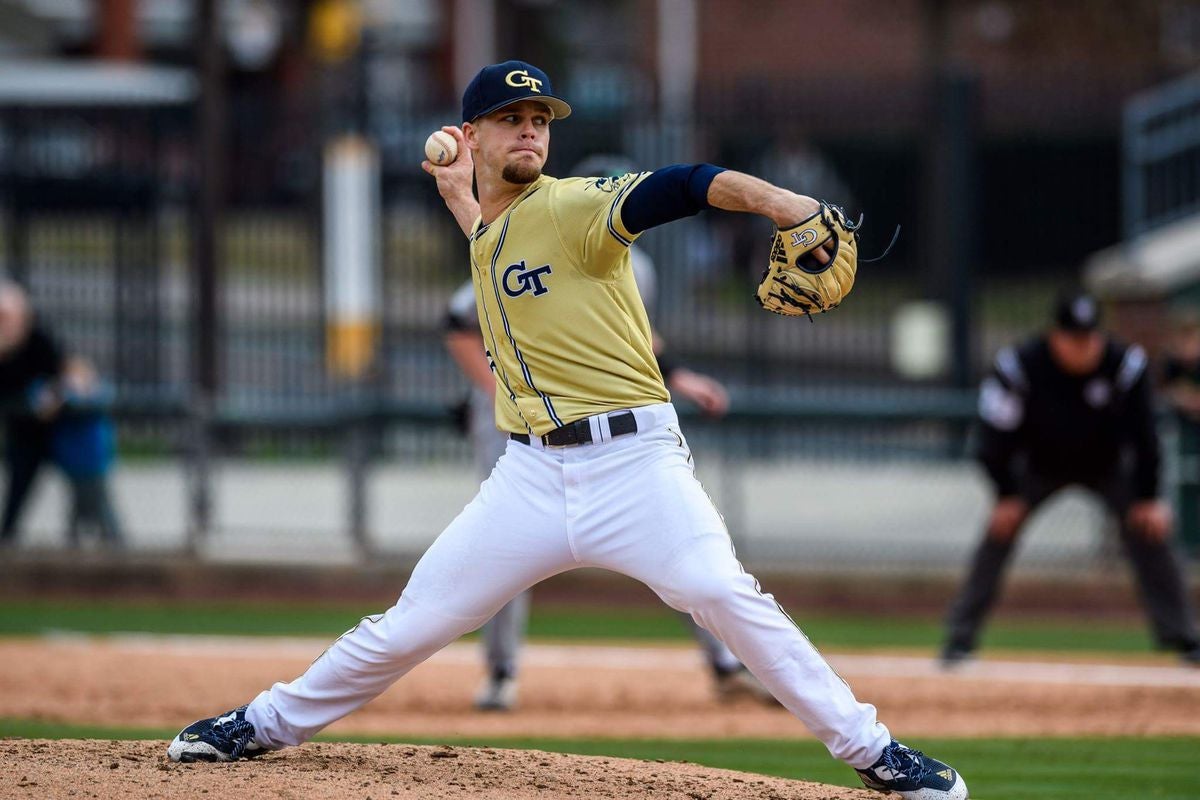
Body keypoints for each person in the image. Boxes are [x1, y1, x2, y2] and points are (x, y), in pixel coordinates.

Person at [168, 60, 968, 800]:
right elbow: (494, 244)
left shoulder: (579, 205)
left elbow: (685, 184)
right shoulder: (489, 230)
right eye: (510, 117)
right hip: (529, 480)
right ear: (473, 132)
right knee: (410, 625)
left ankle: (877, 754)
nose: (529, 131)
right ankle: (262, 724)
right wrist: (457, 192)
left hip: (635, 467)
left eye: (540, 120)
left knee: (722, 591)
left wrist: (786, 205)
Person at [445, 155, 769, 710]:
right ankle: (501, 673)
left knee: (677, 543)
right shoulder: (528, 233)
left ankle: (724, 663)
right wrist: (500, 392)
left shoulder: (637, 266)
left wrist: (681, 376)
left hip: (601, 417)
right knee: (499, 557)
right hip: (512, 426)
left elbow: (633, 336)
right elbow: (457, 324)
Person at [942, 290, 1200, 668]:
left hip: (1107, 466)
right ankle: (959, 638)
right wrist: (1006, 492)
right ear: (1055, 336)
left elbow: (1145, 439)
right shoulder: (1020, 365)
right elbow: (992, 437)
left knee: (1151, 532)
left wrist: (1148, 497)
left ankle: (1184, 636)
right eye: (1073, 339)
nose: (1083, 348)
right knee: (999, 530)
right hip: (1039, 466)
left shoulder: (1125, 364)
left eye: (1090, 337)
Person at [0, 280, 65, 549]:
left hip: (47, 431)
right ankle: (7, 534)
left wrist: (50, 400)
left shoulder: (39, 341)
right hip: (17, 430)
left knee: (89, 482)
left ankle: (111, 539)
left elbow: (60, 376)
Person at [49, 356, 124, 550]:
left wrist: (81, 393)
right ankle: (76, 540)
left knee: (100, 501)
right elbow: (41, 399)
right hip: (72, 462)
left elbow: (103, 397)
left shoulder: (96, 394)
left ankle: (113, 538)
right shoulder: (60, 397)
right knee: (78, 502)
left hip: (95, 461)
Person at [1161, 310, 1200, 559]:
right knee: (1183, 491)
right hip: (1182, 438)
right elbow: (1164, 391)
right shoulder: (1171, 365)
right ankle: (1188, 544)